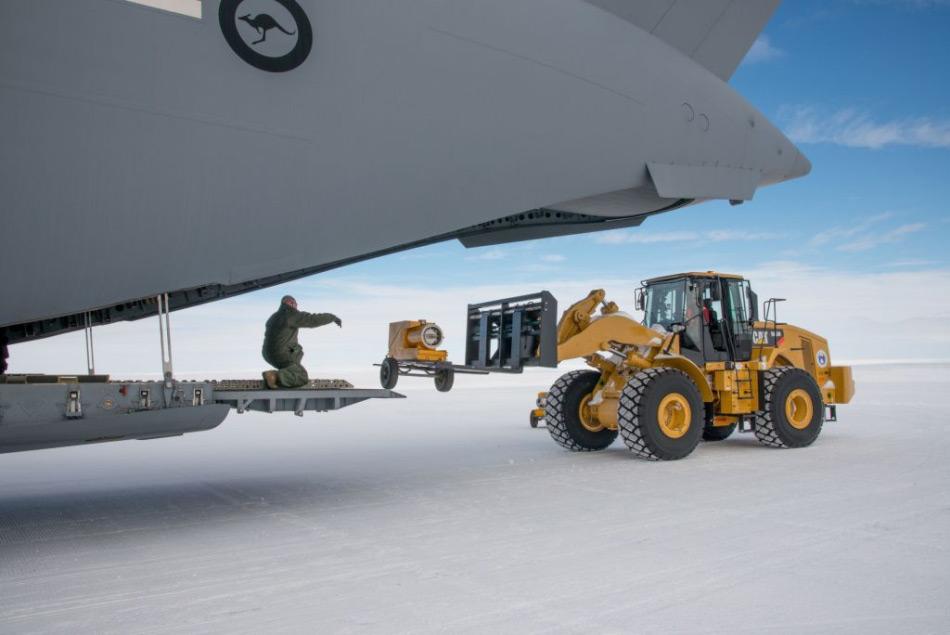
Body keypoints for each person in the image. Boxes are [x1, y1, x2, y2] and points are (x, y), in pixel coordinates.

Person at [262, 295, 341, 389]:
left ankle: (276, 379)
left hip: (268, 354)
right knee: (301, 376)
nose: (297, 307)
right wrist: (332, 317)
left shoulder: (273, 317)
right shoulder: (290, 314)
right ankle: (275, 375)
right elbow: (313, 319)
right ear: (290, 303)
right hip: (282, 354)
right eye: (296, 304)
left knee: (293, 358)